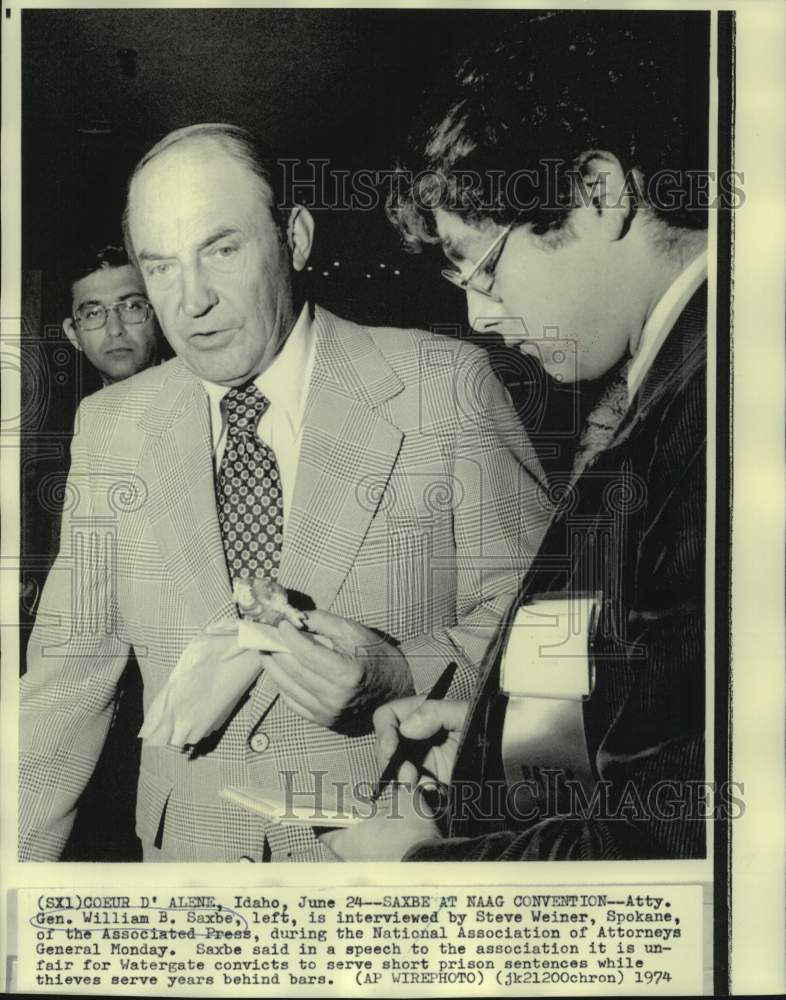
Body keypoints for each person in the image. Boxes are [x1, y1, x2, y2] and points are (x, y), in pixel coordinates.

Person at [19, 123, 550, 863]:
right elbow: (65, 684)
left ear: (294, 237)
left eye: (222, 250)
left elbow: (545, 640)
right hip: (191, 881)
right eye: (161, 266)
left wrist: (399, 671)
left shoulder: (444, 386)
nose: (191, 301)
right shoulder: (113, 426)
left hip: (391, 870)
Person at [323, 11, 709, 862]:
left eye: (486, 266)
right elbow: (649, 714)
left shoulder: (716, 408)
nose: (480, 316)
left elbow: (670, 844)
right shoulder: (671, 373)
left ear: (599, 191)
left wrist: (410, 870)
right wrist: (497, 739)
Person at [62, 245, 160, 386]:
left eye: (131, 307)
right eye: (93, 314)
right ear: (73, 335)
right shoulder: (87, 408)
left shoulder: (198, 400)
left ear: (159, 318)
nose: (115, 330)